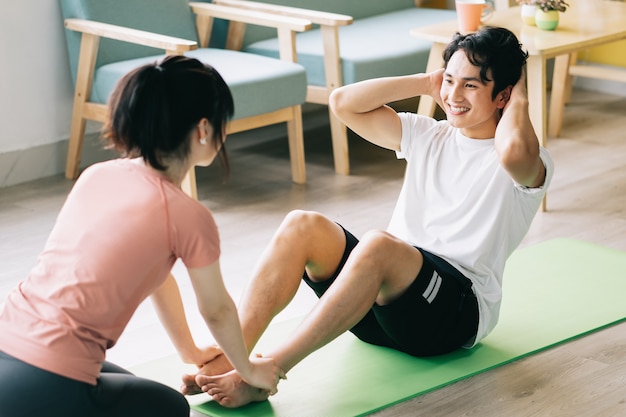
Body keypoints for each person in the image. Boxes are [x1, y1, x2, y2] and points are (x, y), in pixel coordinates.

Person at [183, 26, 554, 408]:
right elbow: (343, 102)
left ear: (504, 96)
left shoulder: (526, 163)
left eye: (471, 86)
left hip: (450, 315)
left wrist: (520, 89)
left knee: (380, 245)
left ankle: (269, 371)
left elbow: (510, 151)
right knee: (302, 224)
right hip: (382, 306)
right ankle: (235, 357)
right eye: (449, 81)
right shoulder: (430, 134)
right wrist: (430, 82)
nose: (453, 96)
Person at [0, 55, 284, 417]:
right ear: (202, 129)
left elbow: (154, 276)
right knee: (169, 407)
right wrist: (248, 369)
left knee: (133, 386)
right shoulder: (187, 215)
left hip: (7, 345)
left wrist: (192, 353)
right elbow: (217, 310)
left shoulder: (98, 175)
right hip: (47, 378)